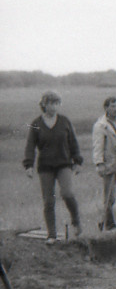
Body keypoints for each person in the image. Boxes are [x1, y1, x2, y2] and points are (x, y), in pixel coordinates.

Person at [22, 90, 84, 244]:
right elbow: (30, 145)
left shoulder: (64, 121)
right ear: (44, 104)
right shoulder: (36, 123)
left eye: (56, 103)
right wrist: (28, 165)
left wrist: (77, 161)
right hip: (45, 167)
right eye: (50, 103)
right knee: (49, 201)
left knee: (67, 193)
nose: (53, 106)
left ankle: (76, 222)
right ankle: (51, 234)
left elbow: (73, 142)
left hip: (64, 164)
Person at [91, 96, 116, 231]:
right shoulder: (100, 125)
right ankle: (109, 225)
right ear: (106, 108)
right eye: (113, 106)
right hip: (109, 165)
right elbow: (98, 146)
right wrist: (99, 163)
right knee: (109, 198)